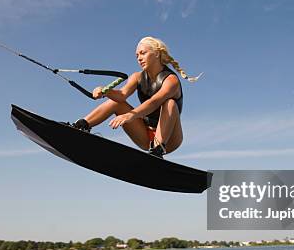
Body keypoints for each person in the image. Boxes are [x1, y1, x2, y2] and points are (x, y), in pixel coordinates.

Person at [70, 36, 200, 159]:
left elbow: (154, 102)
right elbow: (121, 96)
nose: (139, 58)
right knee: (115, 103)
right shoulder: (137, 77)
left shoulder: (171, 80)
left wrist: (130, 115)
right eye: (137, 56)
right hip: (144, 135)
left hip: (170, 139)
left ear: (156, 53)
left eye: (143, 53)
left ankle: (157, 149)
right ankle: (80, 126)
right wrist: (105, 92)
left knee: (170, 103)